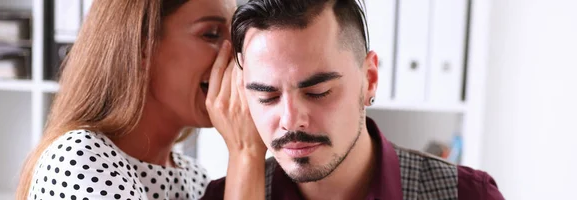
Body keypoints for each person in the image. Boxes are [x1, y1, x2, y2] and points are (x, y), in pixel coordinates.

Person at [202, 0, 505, 199]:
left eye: (317, 92)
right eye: (267, 96)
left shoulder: (466, 194)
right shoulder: (223, 195)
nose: (291, 120)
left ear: (370, 79)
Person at [16, 0, 266, 199]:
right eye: (211, 34)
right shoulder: (78, 160)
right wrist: (246, 152)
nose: (237, 58)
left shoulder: (195, 178)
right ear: (142, 48)